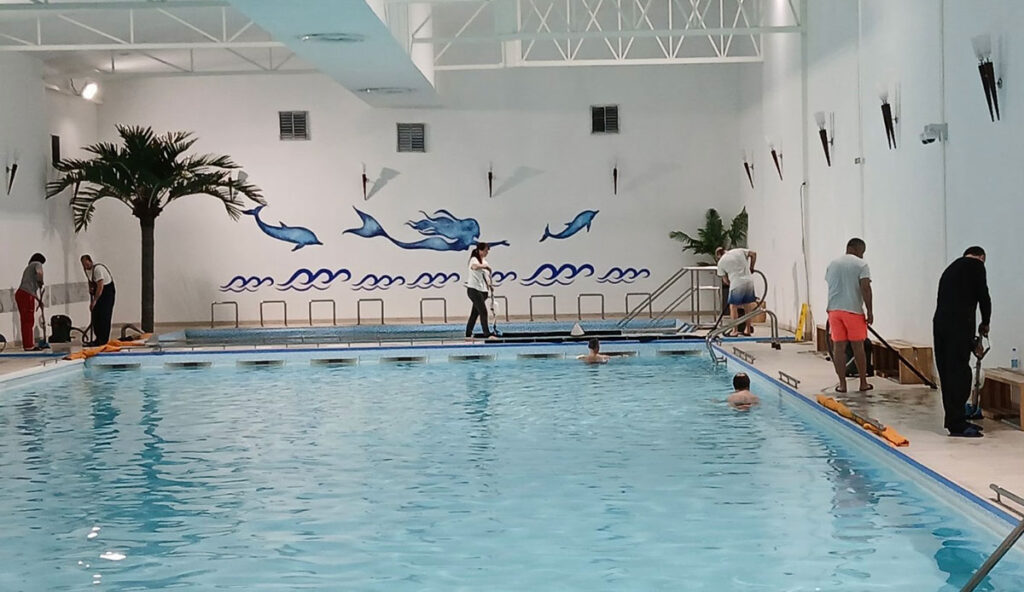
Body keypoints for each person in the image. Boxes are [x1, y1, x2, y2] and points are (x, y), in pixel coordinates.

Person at [934, 246, 991, 438]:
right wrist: (985, 322)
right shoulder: (977, 266)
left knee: (947, 372)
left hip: (941, 325)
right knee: (960, 374)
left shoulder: (951, 268)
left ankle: (955, 418)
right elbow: (984, 297)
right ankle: (957, 424)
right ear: (981, 257)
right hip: (958, 326)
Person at [825, 238, 873, 393]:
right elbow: (865, 288)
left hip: (834, 311)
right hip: (853, 311)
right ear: (856, 249)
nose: (862, 255)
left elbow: (831, 285)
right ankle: (863, 383)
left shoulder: (832, 264)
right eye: (862, 252)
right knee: (858, 347)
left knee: (838, 348)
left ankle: (842, 385)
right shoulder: (861, 265)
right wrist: (870, 310)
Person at [715, 246, 758, 336]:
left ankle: (734, 330)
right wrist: (751, 267)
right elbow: (753, 254)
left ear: (718, 255)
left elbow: (725, 281)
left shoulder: (721, 262)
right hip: (749, 281)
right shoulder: (739, 251)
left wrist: (730, 282)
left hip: (736, 283)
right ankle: (747, 329)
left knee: (733, 307)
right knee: (747, 305)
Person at [81, 255, 116, 346]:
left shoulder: (98, 269)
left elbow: (100, 287)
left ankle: (103, 340)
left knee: (104, 316)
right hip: (98, 291)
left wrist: (94, 301)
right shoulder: (86, 270)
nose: (85, 266)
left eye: (86, 264)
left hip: (107, 292)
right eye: (83, 264)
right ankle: (98, 338)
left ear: (90, 261)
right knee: (95, 315)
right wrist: (90, 288)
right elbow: (90, 280)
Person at [464, 242, 496, 340]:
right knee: (483, 311)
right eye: (485, 251)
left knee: (475, 313)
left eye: (487, 251)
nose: (487, 253)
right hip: (474, 290)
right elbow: (474, 267)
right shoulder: (474, 259)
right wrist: (485, 267)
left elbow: (486, 276)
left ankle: (468, 333)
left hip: (483, 291)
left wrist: (490, 285)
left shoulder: (485, 261)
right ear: (480, 251)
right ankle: (487, 333)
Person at [15, 253, 45, 351]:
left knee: (25, 321)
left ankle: (27, 345)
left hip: (21, 294)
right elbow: (39, 273)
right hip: (26, 296)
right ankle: (29, 346)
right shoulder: (37, 263)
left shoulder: (28, 268)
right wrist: (41, 281)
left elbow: (31, 290)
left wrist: (39, 300)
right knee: (28, 321)